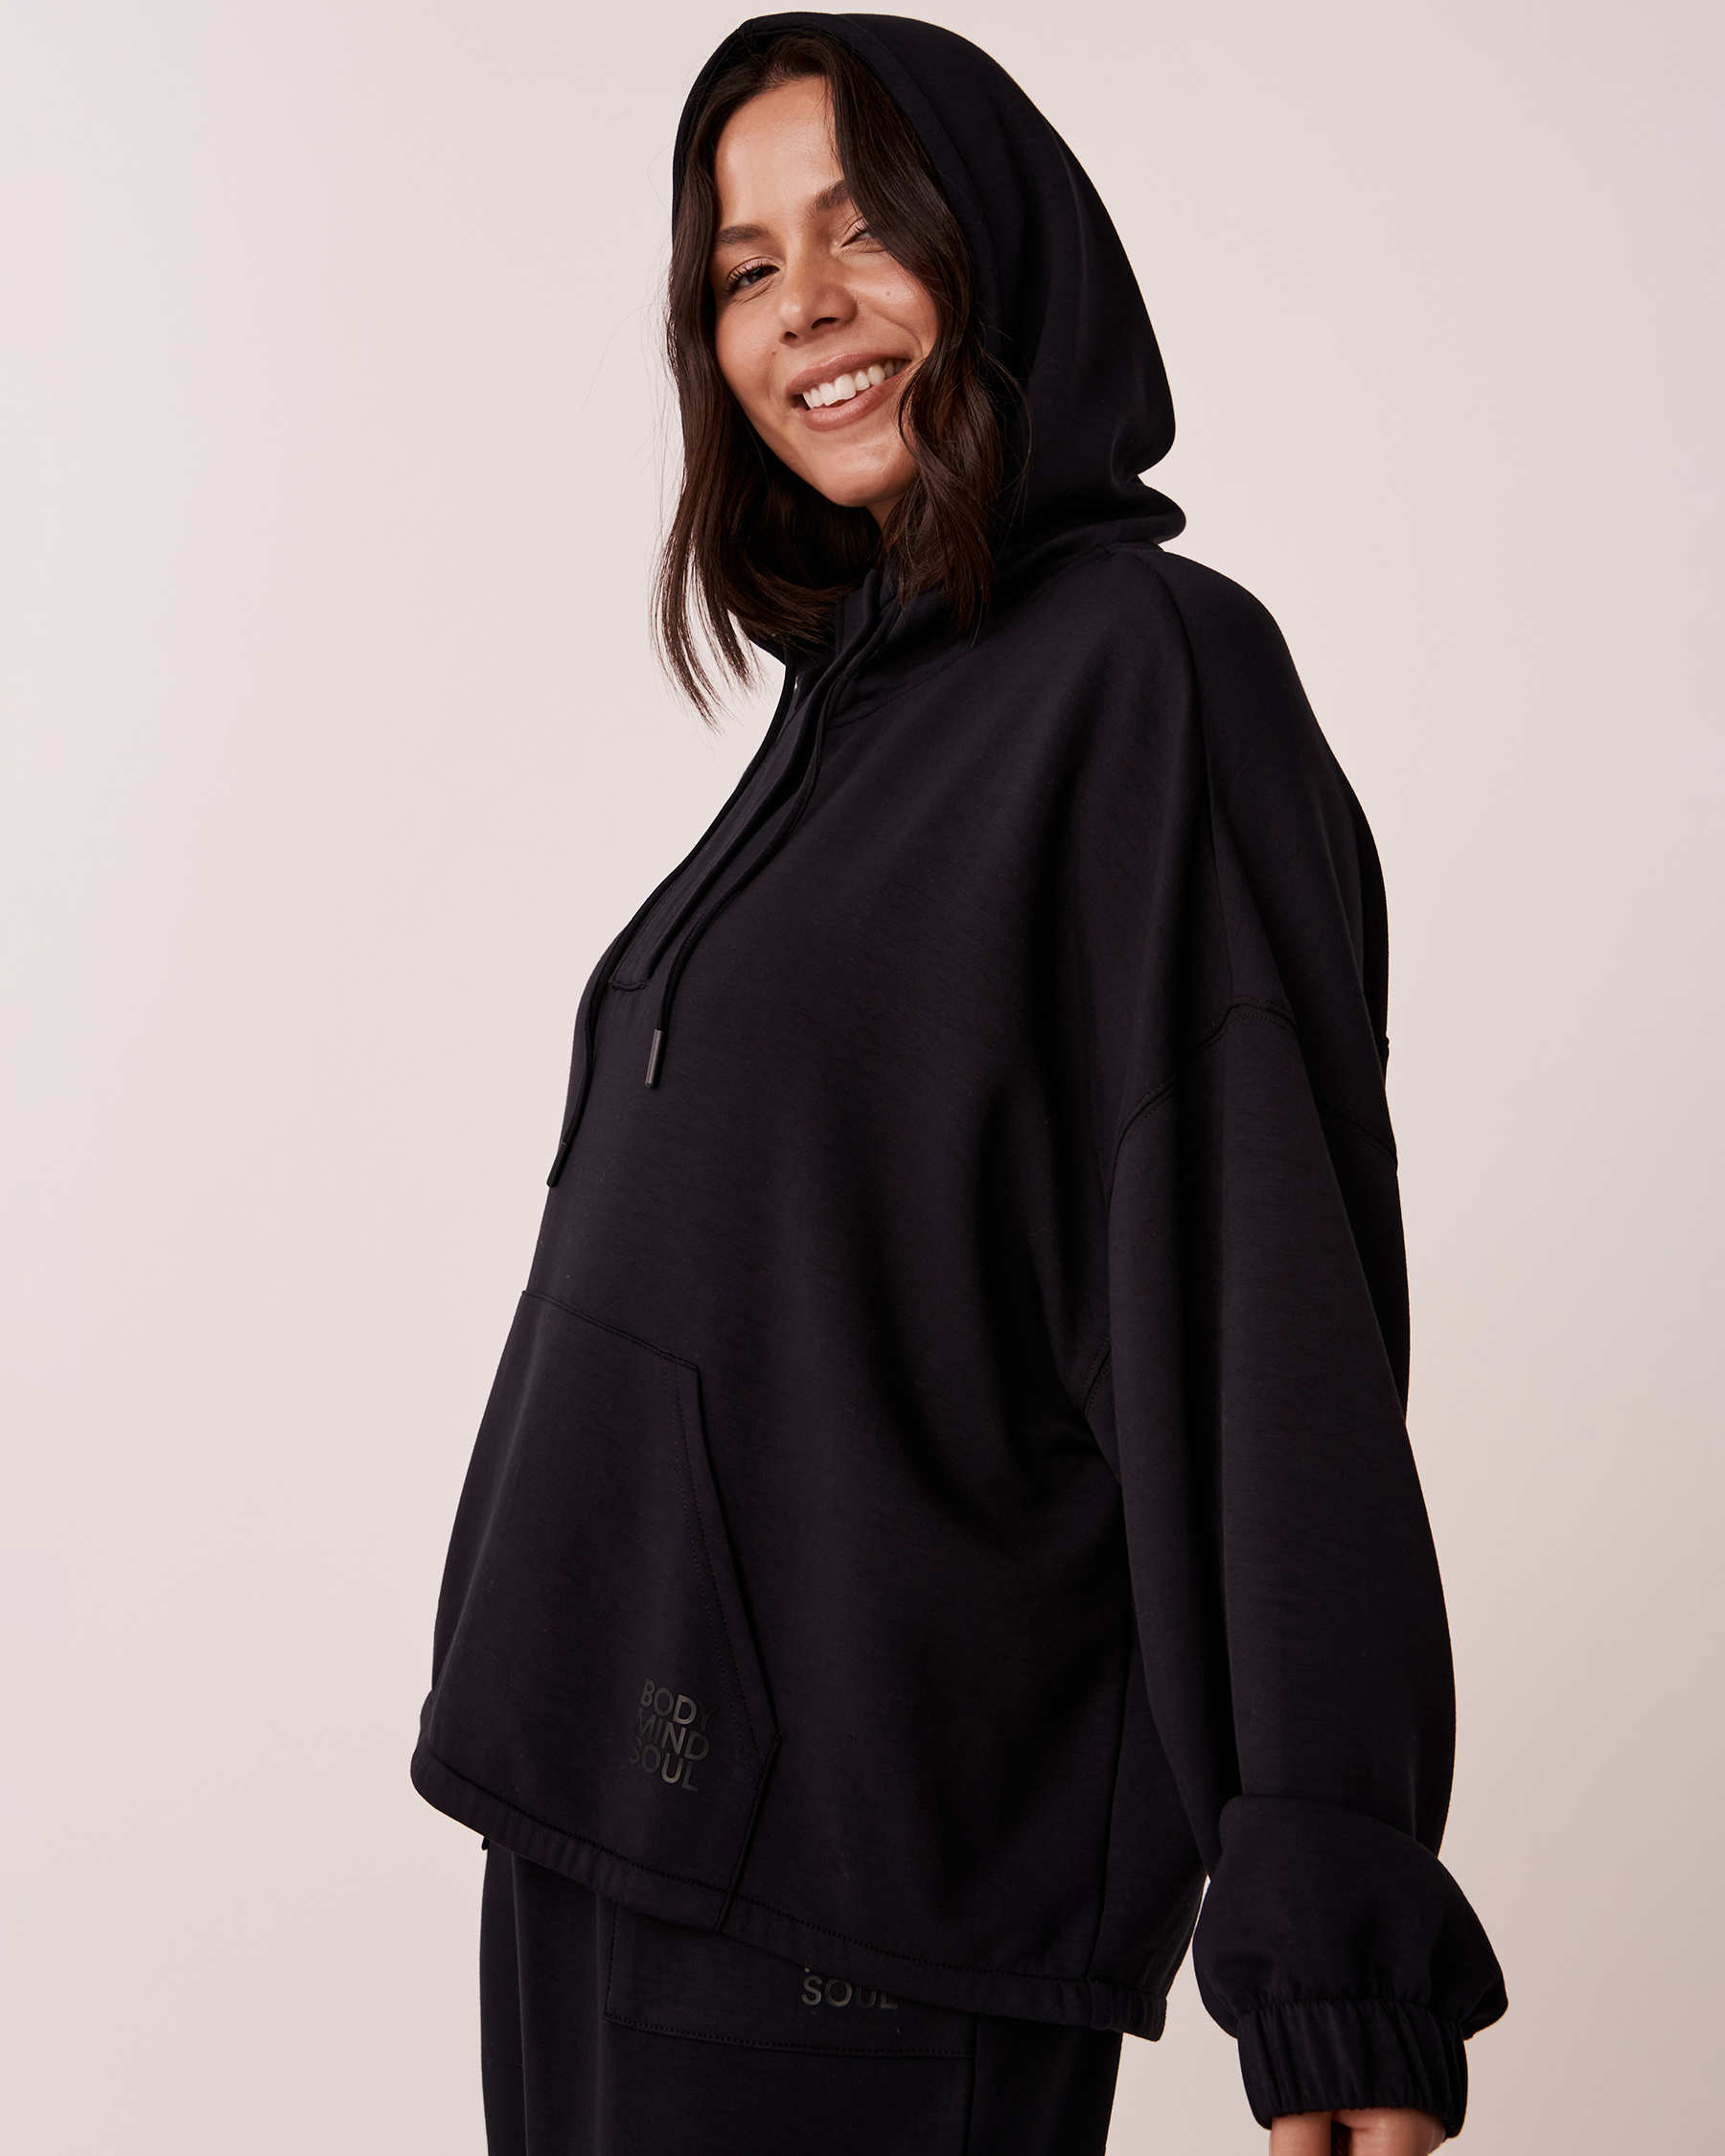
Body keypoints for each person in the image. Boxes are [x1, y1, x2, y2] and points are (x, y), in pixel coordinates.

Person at [411, 16, 1506, 2152]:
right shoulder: (850, 712)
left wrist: (1335, 1928)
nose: (801, 307)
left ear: (1003, 252)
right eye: (743, 268)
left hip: (854, 1917)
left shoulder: (1148, 676)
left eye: (863, 232)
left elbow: (1258, 1300)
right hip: (599, 1842)